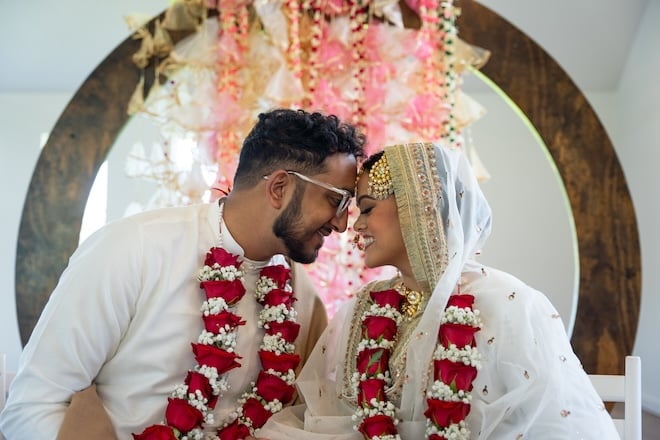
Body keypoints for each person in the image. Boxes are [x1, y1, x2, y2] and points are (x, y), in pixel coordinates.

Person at [0, 108, 366, 439]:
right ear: (279, 188)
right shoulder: (134, 248)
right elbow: (32, 409)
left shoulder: (301, 297)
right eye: (337, 200)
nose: (342, 223)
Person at [258, 142, 620, 439]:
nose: (357, 226)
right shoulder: (362, 309)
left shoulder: (509, 303)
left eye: (367, 209)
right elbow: (334, 417)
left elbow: (556, 426)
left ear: (419, 206)